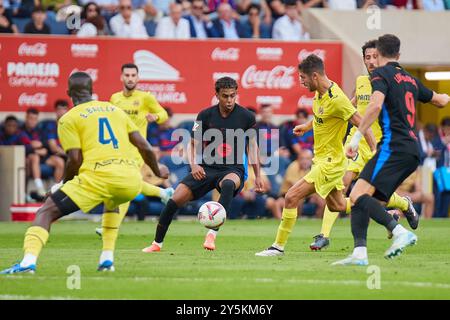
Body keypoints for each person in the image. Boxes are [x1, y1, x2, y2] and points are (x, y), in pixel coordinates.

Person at [0, 72, 167, 274]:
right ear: (91, 91)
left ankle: (28, 262)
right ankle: (107, 260)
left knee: (46, 211)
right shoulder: (115, 110)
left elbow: (74, 159)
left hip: (97, 178)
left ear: (69, 92)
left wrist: (60, 184)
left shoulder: (68, 118)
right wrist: (158, 171)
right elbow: (145, 147)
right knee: (113, 202)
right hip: (130, 179)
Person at [333, 34, 450, 266]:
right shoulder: (409, 79)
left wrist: (355, 139)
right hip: (411, 151)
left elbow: (375, 105)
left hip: (392, 147)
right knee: (361, 198)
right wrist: (447, 95)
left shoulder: (380, 74)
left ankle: (400, 232)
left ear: (379, 54)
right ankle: (359, 253)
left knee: (356, 195)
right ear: (398, 54)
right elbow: (439, 100)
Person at [255, 54, 376, 257]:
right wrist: (306, 126)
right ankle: (386, 210)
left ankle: (278, 247)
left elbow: (360, 121)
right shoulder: (320, 94)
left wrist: (373, 150)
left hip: (330, 163)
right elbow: (323, 116)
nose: (301, 81)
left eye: (303, 77)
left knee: (291, 196)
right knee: (338, 204)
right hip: (321, 160)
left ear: (314, 76)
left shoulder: (338, 99)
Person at [311, 39, 418, 251]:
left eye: (374, 57)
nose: (370, 61)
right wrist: (310, 125)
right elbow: (349, 107)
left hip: (380, 145)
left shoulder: (390, 81)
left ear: (382, 57)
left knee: (372, 195)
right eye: (366, 57)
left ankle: (403, 205)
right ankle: (324, 235)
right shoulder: (361, 81)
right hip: (357, 143)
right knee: (340, 184)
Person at [142, 76, 263, 252]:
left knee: (228, 184)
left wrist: (258, 175)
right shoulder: (205, 115)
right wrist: (194, 166)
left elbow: (253, 147)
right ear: (217, 95)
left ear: (236, 94)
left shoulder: (246, 116)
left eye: (232, 95)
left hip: (233, 169)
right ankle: (156, 244)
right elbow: (191, 144)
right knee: (174, 199)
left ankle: (211, 235)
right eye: (225, 96)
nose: (229, 100)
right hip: (206, 168)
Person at [95, 63, 173, 236]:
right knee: (124, 185)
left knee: (125, 183)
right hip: (118, 148)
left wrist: (156, 116)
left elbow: (164, 115)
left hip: (137, 149)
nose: (130, 78)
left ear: (138, 78)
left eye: (133, 75)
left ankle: (110, 226)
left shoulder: (145, 98)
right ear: (121, 77)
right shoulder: (115, 98)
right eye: (127, 75)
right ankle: (163, 192)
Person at [22, 108, 65, 199]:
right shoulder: (21, 130)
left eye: (35, 119)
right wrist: (34, 148)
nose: (32, 121)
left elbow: (46, 145)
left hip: (43, 156)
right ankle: (40, 188)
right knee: (34, 157)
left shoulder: (39, 129)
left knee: (60, 162)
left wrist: (41, 146)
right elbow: (23, 147)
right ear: (26, 117)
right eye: (30, 118)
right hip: (30, 157)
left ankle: (54, 192)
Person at [276, 149, 326, 219]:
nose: (305, 161)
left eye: (307, 159)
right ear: (298, 159)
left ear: (312, 160)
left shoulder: (311, 168)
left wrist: (314, 195)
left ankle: (317, 220)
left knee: (322, 200)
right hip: (287, 195)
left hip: (304, 194)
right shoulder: (293, 166)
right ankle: (296, 220)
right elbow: (296, 188)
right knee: (298, 199)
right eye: (302, 158)